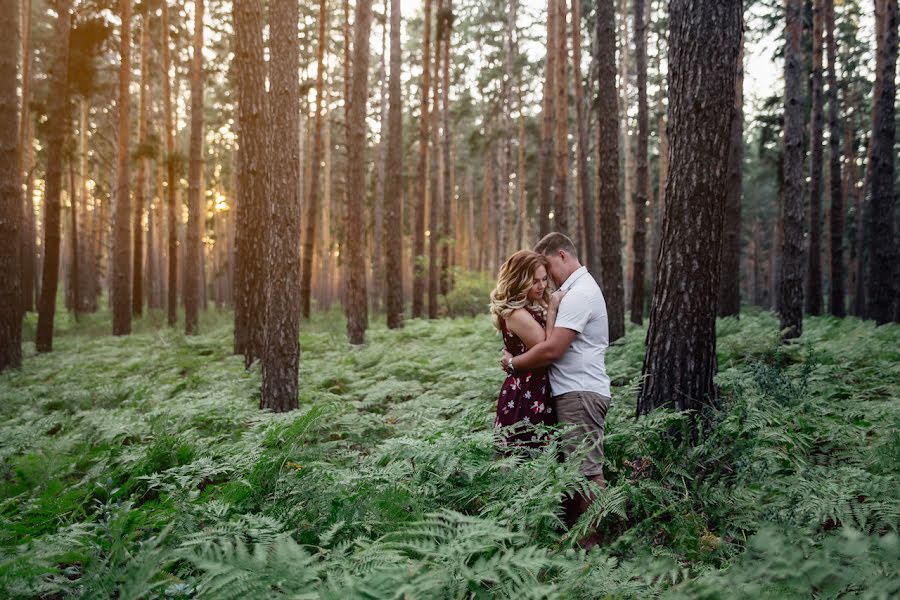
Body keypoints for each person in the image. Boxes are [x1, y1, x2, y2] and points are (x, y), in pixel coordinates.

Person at [500, 233, 611, 545]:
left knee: (587, 473)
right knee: (573, 472)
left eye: (547, 269)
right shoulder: (572, 291)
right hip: (569, 393)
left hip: (579, 393)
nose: (546, 280)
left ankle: (590, 549)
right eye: (538, 277)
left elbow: (550, 351)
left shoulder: (579, 294)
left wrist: (513, 364)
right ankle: (573, 544)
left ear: (562, 255)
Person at [489, 250, 566, 448]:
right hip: (527, 394)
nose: (541, 286)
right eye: (534, 281)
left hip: (537, 390)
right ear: (518, 280)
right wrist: (552, 309)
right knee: (528, 458)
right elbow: (547, 348)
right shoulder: (516, 313)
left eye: (543, 279)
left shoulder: (531, 304)